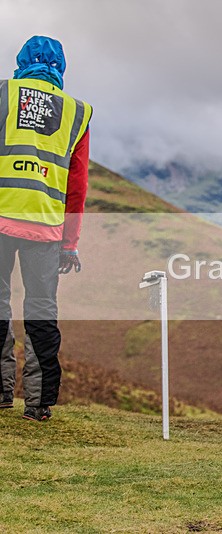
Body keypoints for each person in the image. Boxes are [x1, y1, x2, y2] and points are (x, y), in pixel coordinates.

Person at [0, 36, 92, 421]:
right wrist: (70, 244)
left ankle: (1, 394)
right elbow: (78, 183)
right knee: (41, 311)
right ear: (61, 68)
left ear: (21, 61)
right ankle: (38, 404)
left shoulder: (4, 93)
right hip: (47, 228)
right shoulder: (77, 111)